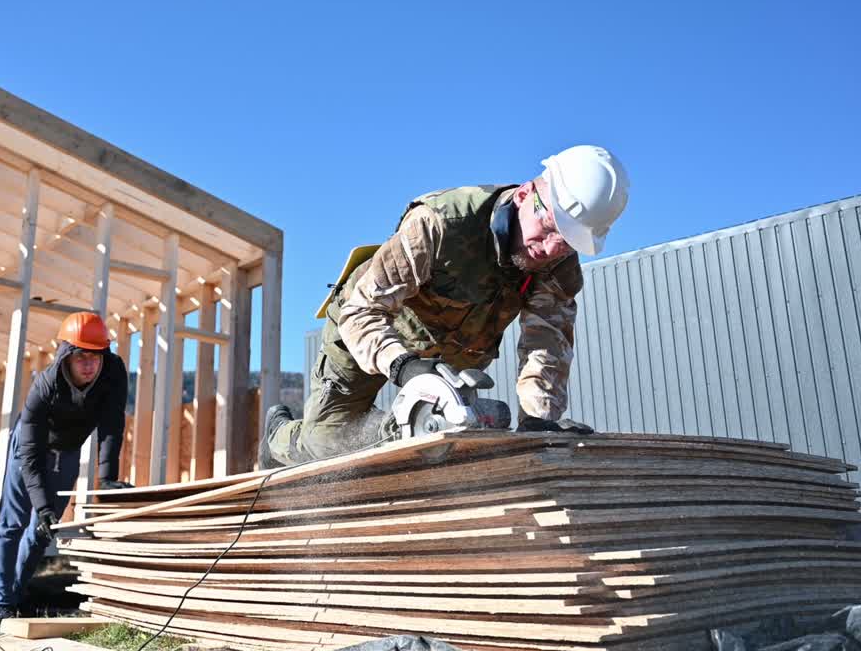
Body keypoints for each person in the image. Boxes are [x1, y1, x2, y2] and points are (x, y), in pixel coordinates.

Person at [260, 145, 630, 468]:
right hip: (370, 326)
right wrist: (403, 365)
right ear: (525, 195)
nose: (550, 249)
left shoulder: (556, 266)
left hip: (453, 347)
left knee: (449, 434)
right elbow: (363, 310)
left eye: (566, 242)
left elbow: (546, 345)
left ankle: (395, 429)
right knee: (327, 442)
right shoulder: (442, 223)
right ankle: (277, 437)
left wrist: (537, 421)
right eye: (549, 227)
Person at [0, 311, 130, 633]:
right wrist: (42, 504)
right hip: (30, 450)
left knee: (42, 531)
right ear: (67, 354)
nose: (90, 365)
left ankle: (16, 597)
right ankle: (0, 605)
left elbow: (111, 425)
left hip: (67, 452)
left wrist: (107, 478)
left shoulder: (114, 372)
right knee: (13, 524)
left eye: (96, 356)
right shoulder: (44, 386)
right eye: (81, 356)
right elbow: (30, 457)